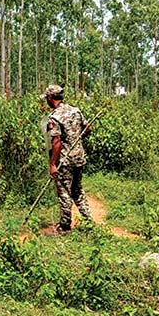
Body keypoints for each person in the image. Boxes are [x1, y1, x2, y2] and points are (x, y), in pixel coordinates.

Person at [41, 84, 92, 235]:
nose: (46, 102)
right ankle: (89, 221)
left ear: (51, 98)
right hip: (79, 157)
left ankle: (64, 226)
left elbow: (56, 143)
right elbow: (88, 129)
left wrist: (52, 164)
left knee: (64, 192)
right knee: (77, 191)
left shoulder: (54, 117)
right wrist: (76, 138)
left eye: (47, 99)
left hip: (65, 161)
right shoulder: (75, 111)